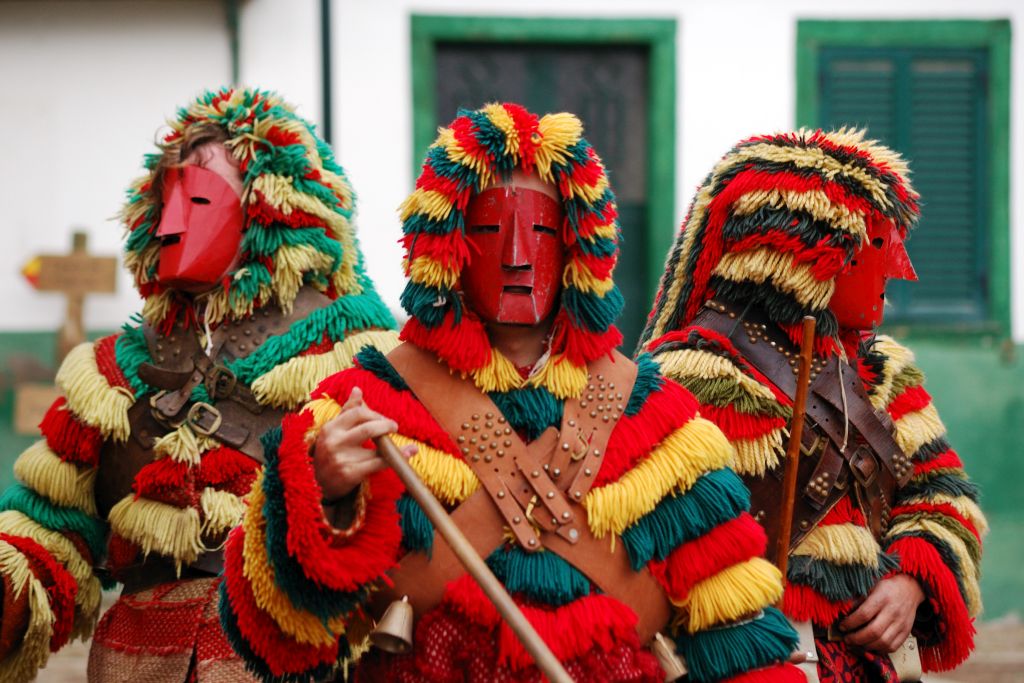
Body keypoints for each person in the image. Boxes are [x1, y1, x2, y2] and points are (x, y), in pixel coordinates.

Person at [219, 103, 804, 683]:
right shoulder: (364, 404)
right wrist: (320, 492)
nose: (519, 256)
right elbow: (276, 640)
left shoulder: (662, 422)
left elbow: (738, 638)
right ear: (446, 245)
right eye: (489, 229)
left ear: (580, 246)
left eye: (544, 230)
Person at [0, 87, 398, 681]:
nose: (172, 223)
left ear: (271, 209)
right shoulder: (112, 371)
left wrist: (325, 490)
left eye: (201, 197)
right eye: (165, 200)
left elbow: (402, 548)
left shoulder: (354, 356)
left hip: (283, 662)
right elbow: (50, 535)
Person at [639, 129, 985, 681]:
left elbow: (944, 497)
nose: (900, 270)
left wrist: (911, 582)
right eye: (876, 245)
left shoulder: (883, 370)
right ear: (806, 254)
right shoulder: (685, 378)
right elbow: (648, 552)